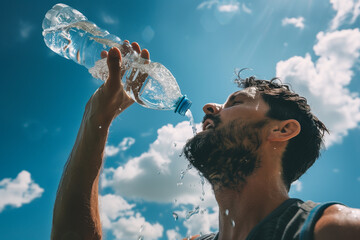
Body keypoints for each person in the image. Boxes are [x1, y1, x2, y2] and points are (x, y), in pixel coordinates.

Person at [50, 44, 360, 240]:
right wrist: (95, 120)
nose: (210, 108)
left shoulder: (333, 230)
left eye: (235, 101)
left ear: (282, 130)